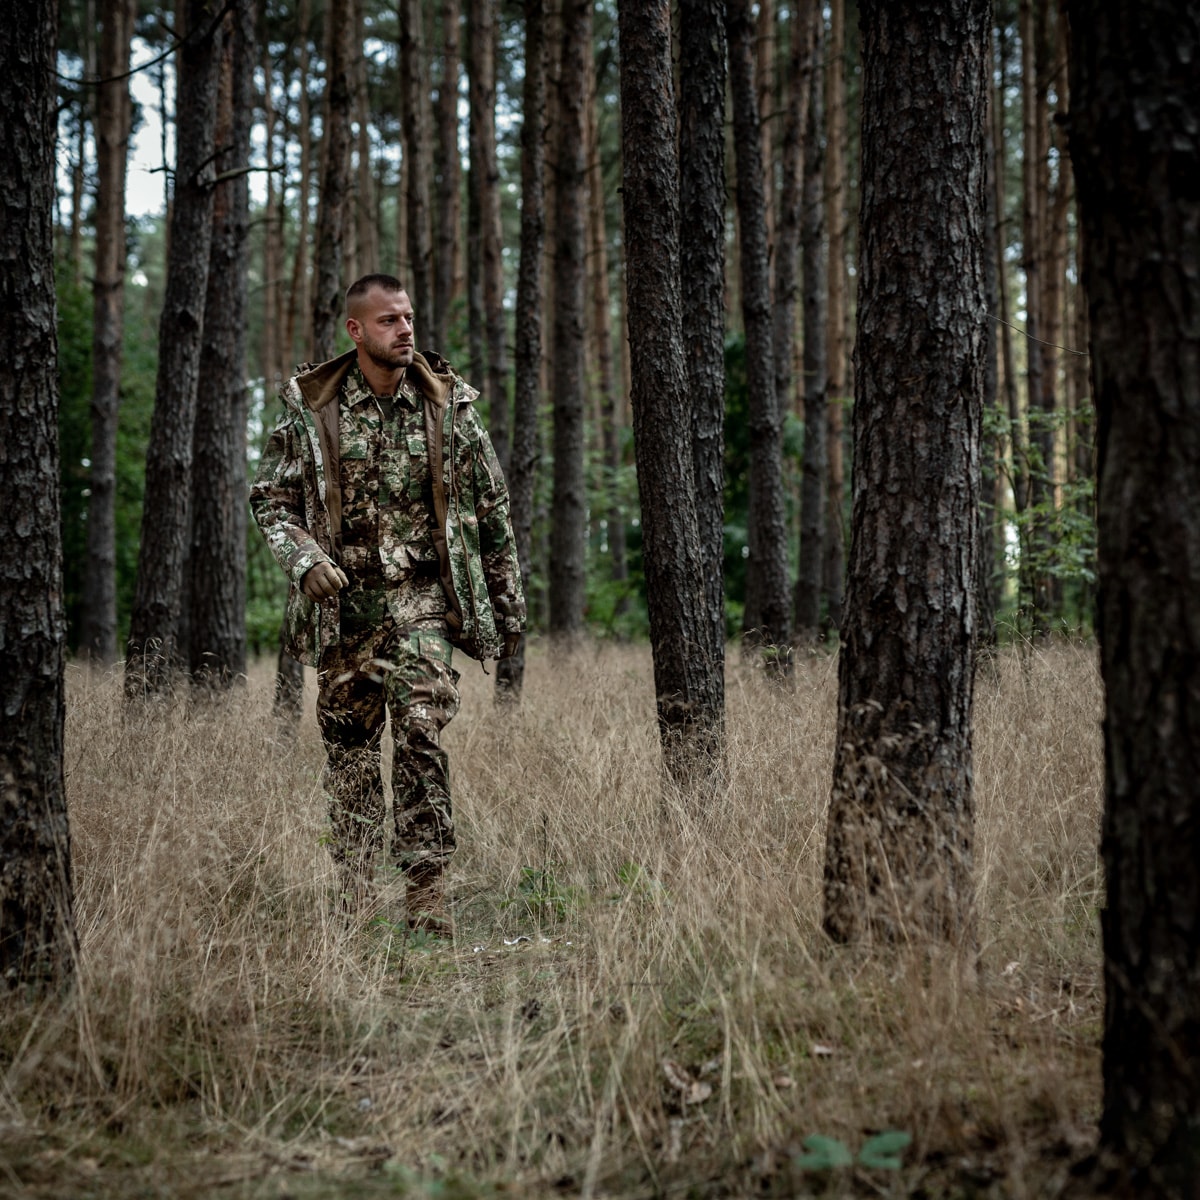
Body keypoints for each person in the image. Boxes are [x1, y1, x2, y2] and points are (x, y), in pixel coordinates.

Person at [250, 273, 525, 934]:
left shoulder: (448, 404)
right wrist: (306, 560)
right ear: (355, 330)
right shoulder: (312, 408)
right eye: (388, 321)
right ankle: (353, 891)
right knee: (349, 747)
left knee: (422, 729)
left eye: (408, 317)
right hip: (348, 611)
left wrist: (507, 607)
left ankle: (426, 892)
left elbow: (493, 512)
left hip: (424, 602)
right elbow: (271, 502)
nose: (405, 330)